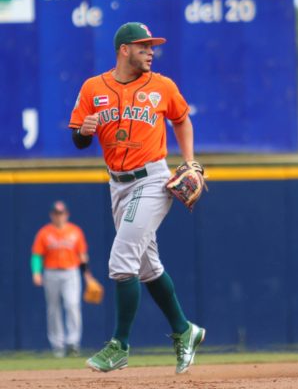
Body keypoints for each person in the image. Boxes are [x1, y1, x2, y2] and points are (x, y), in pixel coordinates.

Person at [69, 22, 205, 374]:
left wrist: (189, 160)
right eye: (143, 46)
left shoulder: (162, 86)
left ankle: (120, 345)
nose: (151, 51)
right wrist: (84, 132)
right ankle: (184, 330)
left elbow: (182, 119)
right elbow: (79, 139)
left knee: (121, 261)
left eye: (152, 46)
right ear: (123, 49)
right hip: (118, 184)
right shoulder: (92, 88)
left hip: (153, 180)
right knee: (146, 267)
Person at [31, 200, 92, 358]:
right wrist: (36, 272)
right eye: (56, 214)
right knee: (53, 309)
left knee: (72, 305)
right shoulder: (44, 233)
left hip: (71, 272)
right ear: (52, 215)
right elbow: (37, 255)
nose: (59, 217)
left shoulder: (75, 231)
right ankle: (57, 346)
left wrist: (87, 275)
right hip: (51, 272)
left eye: (61, 213)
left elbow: (82, 255)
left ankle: (73, 343)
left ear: (67, 215)